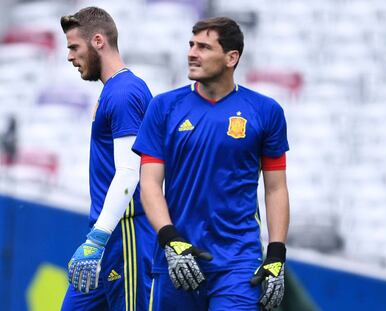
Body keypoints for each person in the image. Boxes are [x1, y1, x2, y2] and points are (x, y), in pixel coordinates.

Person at [133, 17, 290, 310]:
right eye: (191, 45)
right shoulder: (164, 107)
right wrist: (171, 240)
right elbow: (150, 184)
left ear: (232, 57)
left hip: (238, 262)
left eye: (204, 47)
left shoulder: (266, 112)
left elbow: (276, 188)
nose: (192, 53)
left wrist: (276, 254)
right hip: (177, 256)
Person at [59, 7, 155, 311]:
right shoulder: (115, 90)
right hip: (109, 235)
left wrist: (97, 238)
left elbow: (130, 170)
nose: (70, 56)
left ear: (98, 40)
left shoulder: (124, 93)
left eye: (74, 46)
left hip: (125, 234)